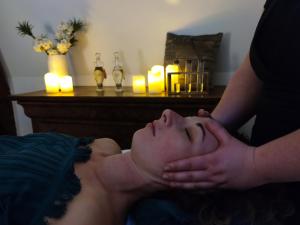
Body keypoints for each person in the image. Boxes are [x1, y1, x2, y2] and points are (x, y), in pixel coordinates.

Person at [161, 0, 300, 223]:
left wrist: (252, 164)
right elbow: (260, 66)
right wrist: (213, 126)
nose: (167, 113)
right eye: (191, 129)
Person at [0, 109, 218, 225]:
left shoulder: (84, 217)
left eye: (189, 133)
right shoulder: (105, 144)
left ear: (192, 178)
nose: (169, 113)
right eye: (186, 118)